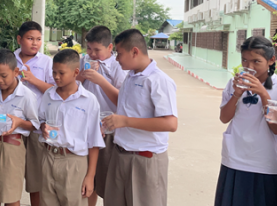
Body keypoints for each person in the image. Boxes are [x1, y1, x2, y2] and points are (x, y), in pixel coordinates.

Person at [102, 29, 178, 206]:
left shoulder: (158, 80)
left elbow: (171, 123)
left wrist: (124, 121)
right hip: (120, 154)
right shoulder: (131, 75)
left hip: (145, 159)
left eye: (119, 54)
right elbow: (124, 105)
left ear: (134, 51)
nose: (117, 59)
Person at [215, 36, 277, 206]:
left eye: (256, 61)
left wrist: (263, 94)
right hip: (233, 159)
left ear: (271, 60)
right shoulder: (234, 83)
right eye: (244, 60)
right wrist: (236, 93)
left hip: (263, 163)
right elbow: (224, 118)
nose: (249, 67)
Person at [39, 49, 104, 206]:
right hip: (49, 158)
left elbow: (94, 141)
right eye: (54, 72)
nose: (56, 77)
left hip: (74, 163)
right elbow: (41, 119)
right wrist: (43, 127)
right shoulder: (48, 95)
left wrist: (90, 175)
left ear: (76, 72)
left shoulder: (88, 100)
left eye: (61, 73)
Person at [0, 49, 40, 206]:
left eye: (4, 76)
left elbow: (35, 125)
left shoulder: (26, 96)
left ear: (16, 72)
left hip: (13, 147)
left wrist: (20, 122)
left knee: (10, 196)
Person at [77, 25, 126, 204]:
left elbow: (121, 100)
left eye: (97, 50)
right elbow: (74, 88)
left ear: (110, 48)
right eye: (89, 48)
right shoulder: (84, 61)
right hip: (84, 126)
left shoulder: (117, 66)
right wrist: (82, 76)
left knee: (105, 179)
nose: (92, 53)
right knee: (86, 177)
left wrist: (101, 80)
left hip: (107, 130)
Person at [14, 21, 54, 206]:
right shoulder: (10, 59)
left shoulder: (46, 61)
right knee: (11, 173)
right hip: (13, 125)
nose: (35, 43)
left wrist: (34, 80)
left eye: (38, 39)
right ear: (19, 39)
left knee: (36, 177)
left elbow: (55, 90)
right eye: (30, 39)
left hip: (37, 126)